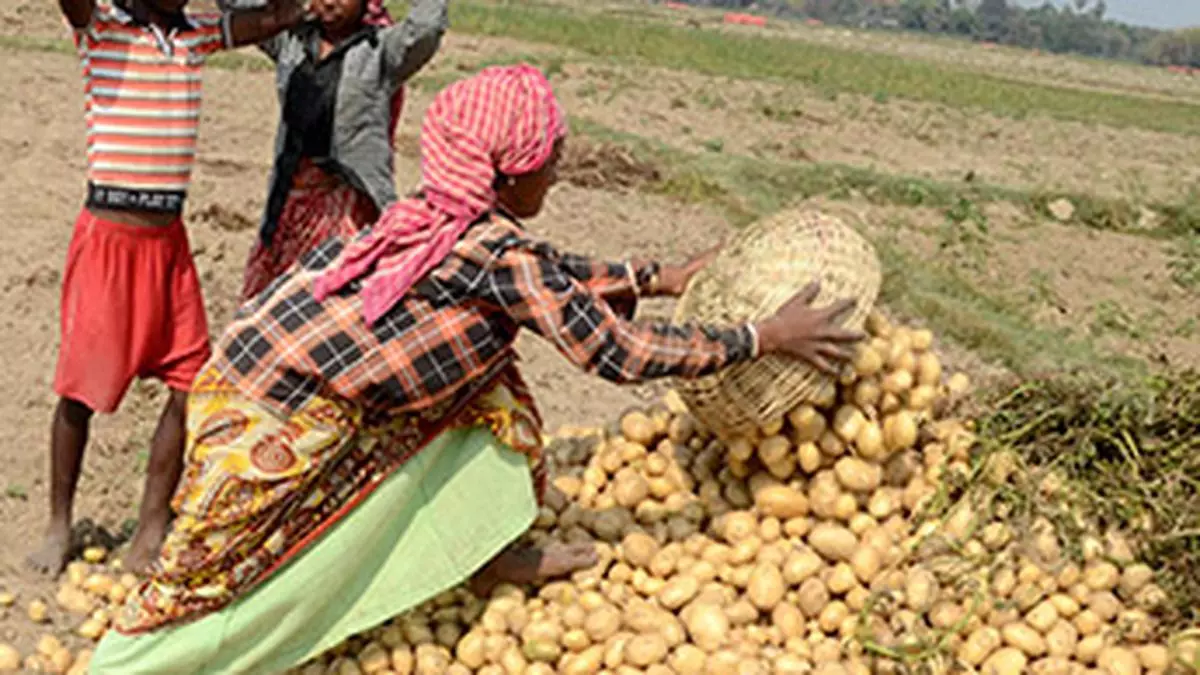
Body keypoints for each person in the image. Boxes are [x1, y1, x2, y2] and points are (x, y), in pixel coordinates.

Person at [87, 65, 862, 674]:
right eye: (548, 159)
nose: (556, 171)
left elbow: (545, 275)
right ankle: (125, 663)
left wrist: (657, 277)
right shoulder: (492, 250)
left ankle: (486, 554)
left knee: (489, 387)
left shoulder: (440, 214)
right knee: (207, 574)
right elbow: (616, 353)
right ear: (508, 172)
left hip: (273, 376)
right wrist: (762, 335)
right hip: (267, 405)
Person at [28, 0, 310, 577]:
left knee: (191, 383)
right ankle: (59, 523)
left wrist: (302, 7)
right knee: (81, 393)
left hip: (169, 246)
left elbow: (263, 21)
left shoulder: (197, 32)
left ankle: (153, 523)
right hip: (110, 243)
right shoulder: (103, 26)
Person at [237, 0, 448, 301]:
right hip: (288, 203)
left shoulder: (381, 51)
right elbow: (237, 7)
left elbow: (426, 29)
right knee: (272, 302)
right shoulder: (290, 41)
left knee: (333, 302)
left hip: (349, 203)